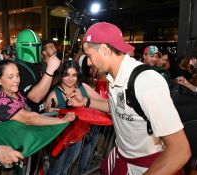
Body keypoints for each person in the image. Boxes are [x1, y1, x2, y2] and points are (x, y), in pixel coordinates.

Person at [70, 22, 190, 174]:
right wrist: (86, 102)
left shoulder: (146, 81)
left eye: (89, 56)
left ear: (104, 49)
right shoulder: (113, 78)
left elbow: (180, 151)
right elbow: (119, 106)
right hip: (124, 158)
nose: (88, 62)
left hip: (149, 166)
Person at [45, 60, 103, 175]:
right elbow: (46, 118)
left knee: (66, 168)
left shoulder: (83, 88)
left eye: (74, 75)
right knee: (55, 171)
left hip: (78, 138)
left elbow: (103, 102)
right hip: (59, 140)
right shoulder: (54, 94)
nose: (71, 79)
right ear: (61, 75)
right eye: (67, 75)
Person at [0, 59, 75, 125]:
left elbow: (30, 113)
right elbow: (29, 118)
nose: (17, 80)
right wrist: (62, 120)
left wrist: (47, 111)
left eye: (18, 75)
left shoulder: (18, 94)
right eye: (10, 77)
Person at [14, 29, 61, 113]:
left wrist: (46, 108)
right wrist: (50, 70)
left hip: (39, 113)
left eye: (37, 46)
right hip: (27, 118)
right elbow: (35, 97)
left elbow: (42, 87)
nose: (34, 49)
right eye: (31, 45)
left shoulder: (36, 64)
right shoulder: (17, 68)